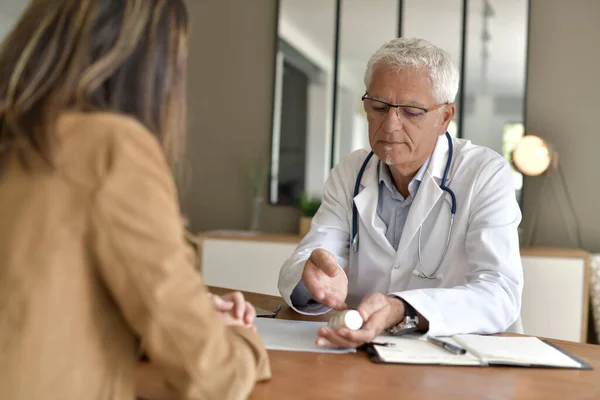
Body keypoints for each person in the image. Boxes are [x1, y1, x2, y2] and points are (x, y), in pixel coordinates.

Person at [0, 1, 270, 399]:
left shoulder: (17, 141)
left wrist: (188, 312)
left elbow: (39, 303)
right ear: (150, 65)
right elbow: (212, 378)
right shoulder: (109, 148)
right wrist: (243, 339)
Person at [278, 38, 523, 349]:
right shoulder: (351, 171)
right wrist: (310, 278)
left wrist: (403, 309)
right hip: (359, 351)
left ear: (445, 118)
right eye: (379, 107)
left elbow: (500, 292)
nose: (390, 125)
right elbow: (315, 254)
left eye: (411, 111)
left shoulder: (485, 173)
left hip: (455, 357)